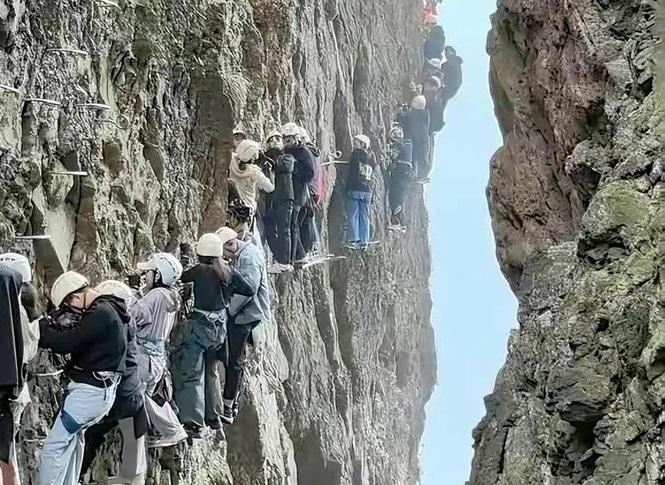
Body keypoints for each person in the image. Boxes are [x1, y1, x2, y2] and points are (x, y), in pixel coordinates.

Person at [38, 271, 127, 485]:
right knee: (73, 442)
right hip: (100, 394)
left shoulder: (101, 313)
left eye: (70, 306)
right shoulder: (110, 308)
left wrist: (39, 324)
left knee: (53, 448)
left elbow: (65, 343)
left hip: (88, 395)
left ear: (75, 296)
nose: (73, 312)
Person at [80, 280, 149, 485]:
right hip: (133, 395)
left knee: (90, 435)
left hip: (119, 396)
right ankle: (132, 478)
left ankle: (76, 474)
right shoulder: (128, 321)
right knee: (134, 443)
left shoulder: (110, 325)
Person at [172, 233, 230, 437]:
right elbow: (242, 289)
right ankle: (214, 417)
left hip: (201, 328)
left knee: (192, 372)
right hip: (219, 328)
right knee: (211, 370)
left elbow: (181, 276)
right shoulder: (224, 270)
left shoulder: (201, 270)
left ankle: (193, 422)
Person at [131, 253, 188, 448]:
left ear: (158, 275)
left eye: (148, 272)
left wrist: (133, 294)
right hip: (155, 358)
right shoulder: (171, 295)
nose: (145, 275)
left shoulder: (156, 295)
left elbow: (136, 315)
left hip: (143, 358)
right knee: (146, 398)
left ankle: (170, 429)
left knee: (136, 396)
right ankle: (170, 429)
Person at [218, 228, 271, 424]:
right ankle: (230, 399)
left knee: (235, 359)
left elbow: (248, 291)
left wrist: (228, 310)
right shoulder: (243, 252)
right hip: (245, 313)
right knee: (235, 357)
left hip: (246, 315)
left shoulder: (249, 258)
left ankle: (228, 403)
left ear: (231, 245)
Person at [0, 254, 40, 485]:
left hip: (9, 389)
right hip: (18, 389)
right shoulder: (29, 309)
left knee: (7, 456)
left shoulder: (16, 313)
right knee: (8, 452)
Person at [263, 130, 296, 273]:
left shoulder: (287, 157)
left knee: (284, 230)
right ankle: (279, 256)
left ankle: (284, 261)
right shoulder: (268, 159)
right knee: (269, 228)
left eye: (277, 139)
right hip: (272, 200)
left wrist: (272, 158)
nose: (275, 141)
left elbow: (285, 167)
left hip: (284, 198)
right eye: (272, 140)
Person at [282, 122, 315, 263]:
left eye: (289, 139)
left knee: (293, 225)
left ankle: (298, 255)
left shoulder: (303, 153)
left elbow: (310, 173)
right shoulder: (287, 152)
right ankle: (299, 254)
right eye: (285, 140)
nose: (287, 143)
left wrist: (295, 170)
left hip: (298, 194)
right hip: (289, 193)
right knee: (292, 225)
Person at [345, 134, 377, 249]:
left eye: (358, 142)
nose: (355, 144)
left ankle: (353, 238)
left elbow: (352, 164)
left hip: (355, 189)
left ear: (363, 144)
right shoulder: (371, 159)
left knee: (353, 214)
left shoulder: (356, 154)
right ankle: (364, 241)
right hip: (367, 191)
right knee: (364, 216)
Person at [386, 125, 413, 231]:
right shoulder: (408, 143)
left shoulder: (403, 144)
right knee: (398, 195)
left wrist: (390, 150)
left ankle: (399, 222)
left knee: (396, 196)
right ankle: (399, 221)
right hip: (405, 172)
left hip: (401, 171)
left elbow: (394, 155)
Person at [397, 95, 430, 181]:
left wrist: (401, 111)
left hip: (415, 141)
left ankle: (413, 175)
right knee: (418, 159)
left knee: (414, 158)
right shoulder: (426, 114)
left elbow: (402, 117)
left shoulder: (412, 115)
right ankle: (418, 175)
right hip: (424, 142)